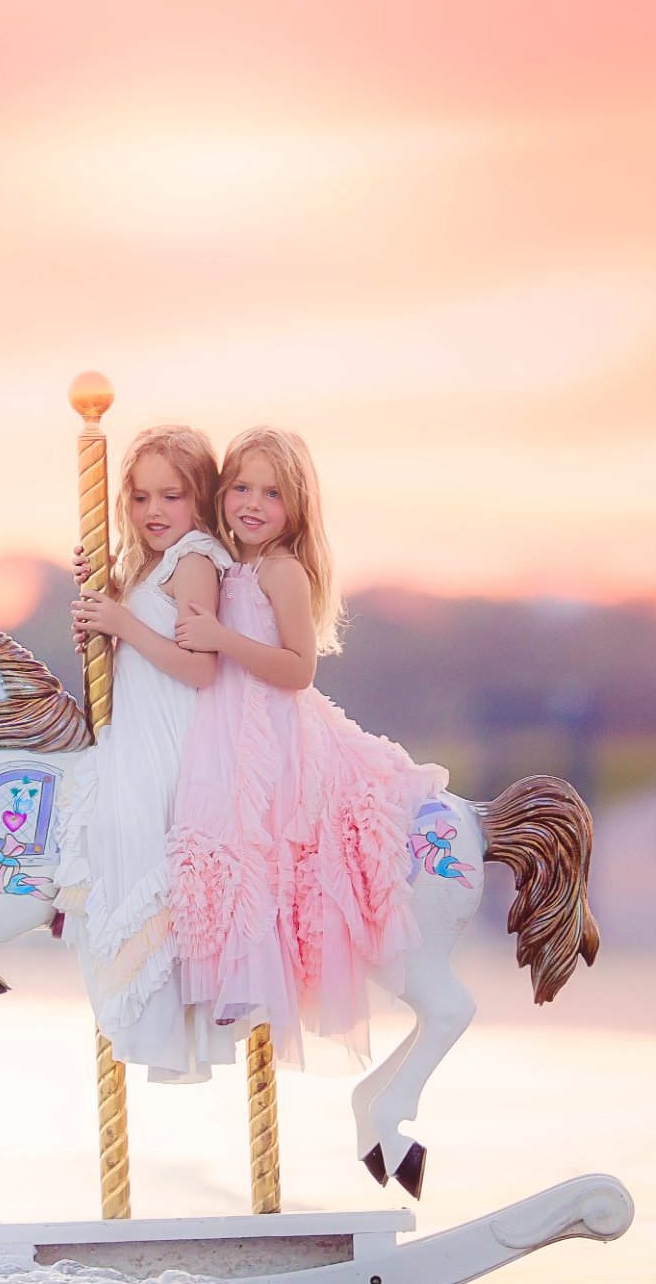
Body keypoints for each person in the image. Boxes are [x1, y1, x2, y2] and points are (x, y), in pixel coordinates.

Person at [167, 425, 446, 1073]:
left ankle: (250, 979)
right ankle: (214, 970)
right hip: (226, 724)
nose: (253, 503)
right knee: (209, 835)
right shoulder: (223, 564)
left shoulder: (282, 571)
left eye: (271, 492)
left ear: (295, 507)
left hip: (274, 729)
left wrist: (218, 637)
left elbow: (298, 670)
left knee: (259, 841)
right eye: (241, 487)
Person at [59, 424, 236, 1082]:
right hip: (135, 732)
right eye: (139, 498)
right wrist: (102, 609)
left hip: (167, 740)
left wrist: (122, 622)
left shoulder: (195, 557)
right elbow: (126, 647)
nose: (153, 511)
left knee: (125, 846)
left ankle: (151, 1003)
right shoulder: (150, 563)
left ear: (201, 501)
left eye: (171, 496)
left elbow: (201, 668)